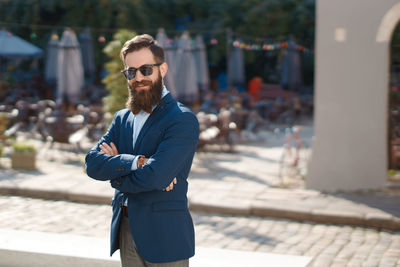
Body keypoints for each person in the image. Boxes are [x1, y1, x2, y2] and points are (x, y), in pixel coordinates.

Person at [85, 34, 199, 266]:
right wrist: (137, 162)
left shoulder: (182, 119)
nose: (138, 77)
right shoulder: (122, 118)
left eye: (146, 70)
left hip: (166, 235)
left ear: (162, 69)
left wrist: (116, 173)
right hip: (126, 230)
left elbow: (156, 176)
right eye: (131, 71)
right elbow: (92, 164)